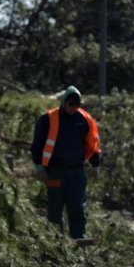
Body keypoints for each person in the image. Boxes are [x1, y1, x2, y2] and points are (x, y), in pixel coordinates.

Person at [30, 86, 101, 239]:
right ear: (63, 102)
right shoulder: (47, 119)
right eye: (71, 104)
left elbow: (93, 145)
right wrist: (39, 168)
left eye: (77, 104)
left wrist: (96, 166)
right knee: (55, 210)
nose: (74, 107)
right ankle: (56, 245)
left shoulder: (85, 120)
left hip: (76, 172)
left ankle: (78, 242)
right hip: (55, 171)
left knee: (77, 209)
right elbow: (36, 146)